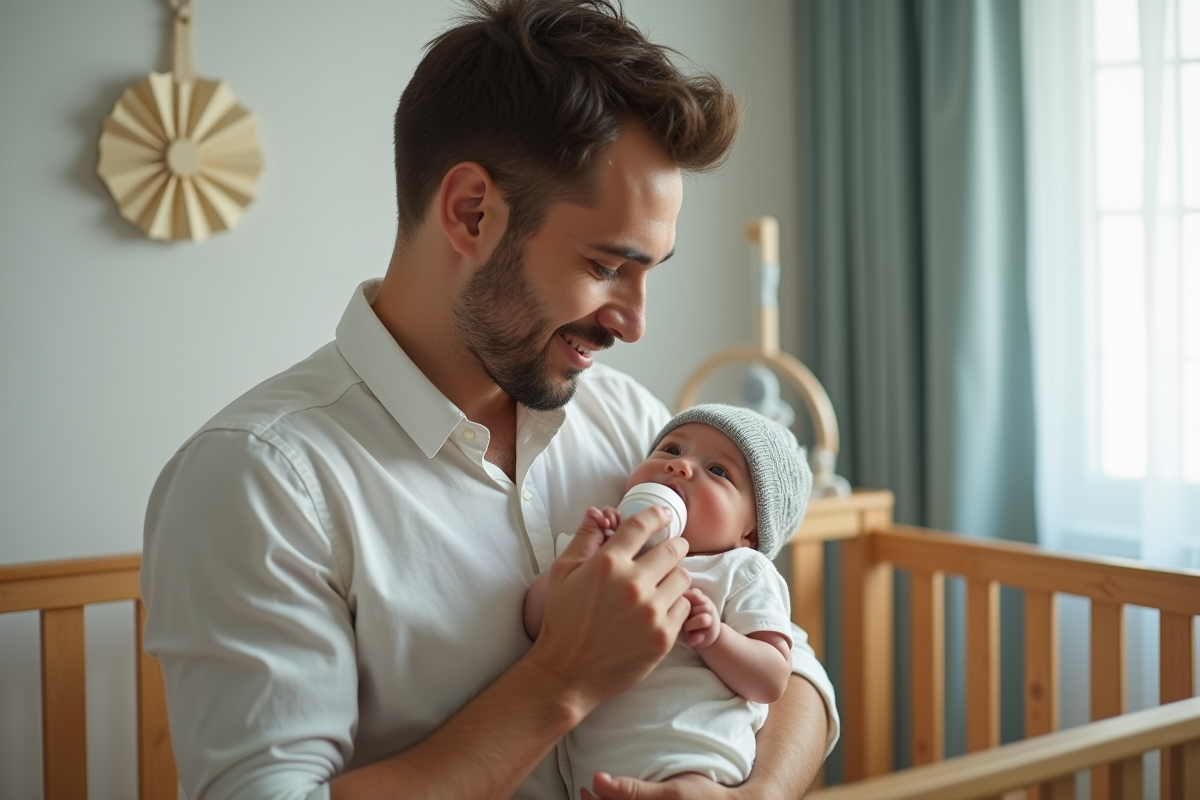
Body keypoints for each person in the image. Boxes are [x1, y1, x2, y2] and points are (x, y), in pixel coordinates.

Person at [140, 2, 839, 799]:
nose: (637, 323)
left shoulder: (636, 425)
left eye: (653, 270)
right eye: (609, 266)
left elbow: (798, 674)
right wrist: (563, 678)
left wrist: (750, 797)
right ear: (473, 213)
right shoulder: (259, 481)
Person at [523, 405, 813, 799]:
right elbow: (535, 622)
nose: (681, 467)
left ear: (749, 535)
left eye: (718, 471)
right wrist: (578, 566)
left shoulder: (741, 570)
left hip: (699, 763)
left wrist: (716, 638)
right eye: (672, 450)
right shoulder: (606, 555)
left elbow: (772, 678)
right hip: (597, 775)